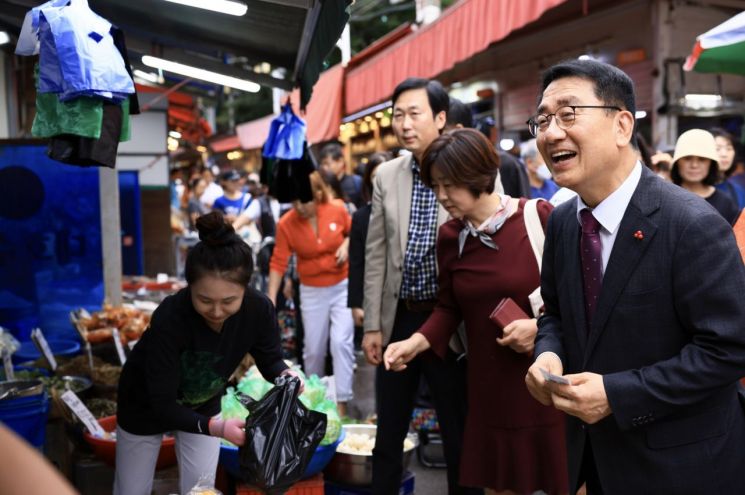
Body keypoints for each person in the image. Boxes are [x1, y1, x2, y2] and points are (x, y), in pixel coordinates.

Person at [524, 59, 745, 494]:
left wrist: (620, 394)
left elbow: (730, 348)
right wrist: (547, 354)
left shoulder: (691, 223)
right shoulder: (565, 221)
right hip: (596, 459)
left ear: (622, 125)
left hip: (682, 466)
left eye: (569, 114)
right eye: (543, 119)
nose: (551, 133)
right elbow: (555, 314)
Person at [383, 129, 568, 494]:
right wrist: (415, 343)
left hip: (544, 380)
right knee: (498, 485)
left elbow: (576, 298)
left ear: (478, 175)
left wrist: (538, 327)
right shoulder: (451, 237)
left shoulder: (538, 218)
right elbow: (449, 307)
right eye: (435, 186)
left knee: (561, 479)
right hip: (487, 388)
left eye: (449, 185)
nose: (442, 196)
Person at [115, 212, 298, 495]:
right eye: (204, 300)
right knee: (132, 491)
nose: (216, 311)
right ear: (189, 286)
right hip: (144, 404)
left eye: (228, 301)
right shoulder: (171, 317)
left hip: (202, 400)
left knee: (201, 490)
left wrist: (286, 375)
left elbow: (270, 358)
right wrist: (218, 428)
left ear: (245, 288)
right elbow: (163, 405)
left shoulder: (258, 310)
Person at [363, 77, 475, 495]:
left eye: (415, 113)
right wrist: (373, 325)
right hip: (400, 316)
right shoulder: (386, 176)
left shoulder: (469, 166)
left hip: (451, 321)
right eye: (397, 114)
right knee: (389, 425)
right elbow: (376, 254)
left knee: (458, 427)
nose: (404, 123)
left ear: (440, 118)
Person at [267, 171, 355, 416]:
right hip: (311, 290)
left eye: (303, 200)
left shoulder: (337, 209)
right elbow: (278, 262)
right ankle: (315, 399)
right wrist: (270, 298)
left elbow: (353, 232)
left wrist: (346, 245)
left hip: (342, 286)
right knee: (313, 349)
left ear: (317, 193)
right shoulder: (286, 223)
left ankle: (342, 402)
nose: (299, 207)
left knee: (341, 342)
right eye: (294, 201)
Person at [348, 152, 390, 334]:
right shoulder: (361, 217)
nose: (380, 180)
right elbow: (357, 263)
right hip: (375, 294)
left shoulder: (413, 210)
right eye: (375, 176)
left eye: (385, 174)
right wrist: (356, 304)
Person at [670, 129, 740, 225]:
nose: (694, 165)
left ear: (711, 164)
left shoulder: (725, 203)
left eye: (702, 159)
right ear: (677, 162)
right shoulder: (666, 197)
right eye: (687, 158)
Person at [320, 142, 364, 208]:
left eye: (327, 164)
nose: (324, 168)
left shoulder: (357, 182)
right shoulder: (322, 185)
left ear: (340, 161)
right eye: (322, 164)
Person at [711, 127, 745, 209]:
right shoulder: (694, 190)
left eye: (729, 148)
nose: (724, 154)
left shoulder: (738, 191)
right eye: (717, 149)